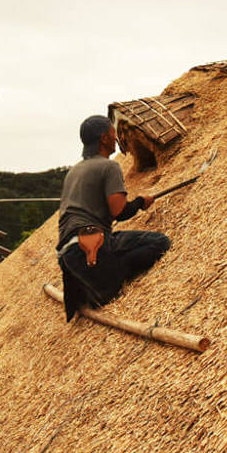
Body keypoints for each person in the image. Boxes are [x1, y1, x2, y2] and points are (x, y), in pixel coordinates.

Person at [55, 115, 171, 319]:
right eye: (112, 133)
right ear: (104, 139)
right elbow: (120, 211)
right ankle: (107, 281)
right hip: (93, 246)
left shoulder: (73, 172)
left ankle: (89, 283)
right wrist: (140, 203)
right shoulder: (109, 167)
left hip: (67, 255)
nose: (116, 137)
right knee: (159, 242)